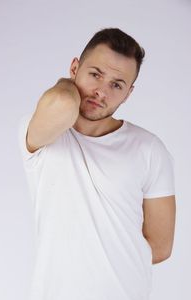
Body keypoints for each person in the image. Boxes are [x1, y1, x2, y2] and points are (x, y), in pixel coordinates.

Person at [18, 28, 176, 300]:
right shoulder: (42, 130)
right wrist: (68, 83)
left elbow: (160, 247)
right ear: (74, 67)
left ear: (128, 93)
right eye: (95, 75)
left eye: (117, 84)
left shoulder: (149, 149)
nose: (101, 92)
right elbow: (62, 102)